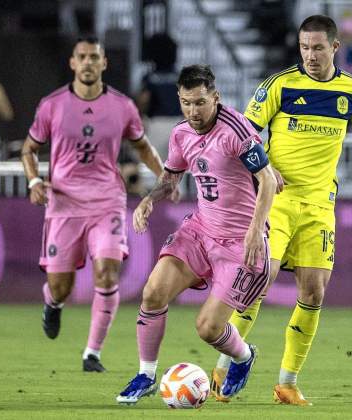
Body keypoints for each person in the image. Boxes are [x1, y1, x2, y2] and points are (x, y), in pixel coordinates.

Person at [210, 15, 352, 406]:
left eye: (318, 48)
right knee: (258, 280)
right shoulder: (279, 86)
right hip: (277, 201)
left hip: (320, 205)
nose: (311, 55)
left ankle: (286, 382)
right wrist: (264, 170)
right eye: (304, 47)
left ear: (335, 48)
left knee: (314, 292)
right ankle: (225, 364)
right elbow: (243, 137)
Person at [116, 65, 277, 404]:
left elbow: (269, 180)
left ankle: (244, 356)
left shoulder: (236, 129)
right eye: (186, 103)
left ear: (215, 98)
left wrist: (254, 231)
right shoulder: (180, 134)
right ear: (179, 99)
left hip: (240, 242)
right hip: (201, 230)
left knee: (207, 329)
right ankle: (146, 375)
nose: (193, 111)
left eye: (201, 103)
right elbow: (171, 179)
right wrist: (148, 199)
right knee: (153, 293)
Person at [20, 36, 164, 373]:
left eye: (94, 57)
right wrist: (34, 181)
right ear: (72, 63)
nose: (87, 63)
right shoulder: (52, 105)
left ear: (103, 64)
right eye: (82, 57)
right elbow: (28, 149)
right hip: (64, 203)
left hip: (106, 201)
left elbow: (141, 146)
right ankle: (52, 303)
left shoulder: (122, 106)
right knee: (61, 286)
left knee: (107, 270)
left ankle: (92, 353)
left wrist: (166, 177)